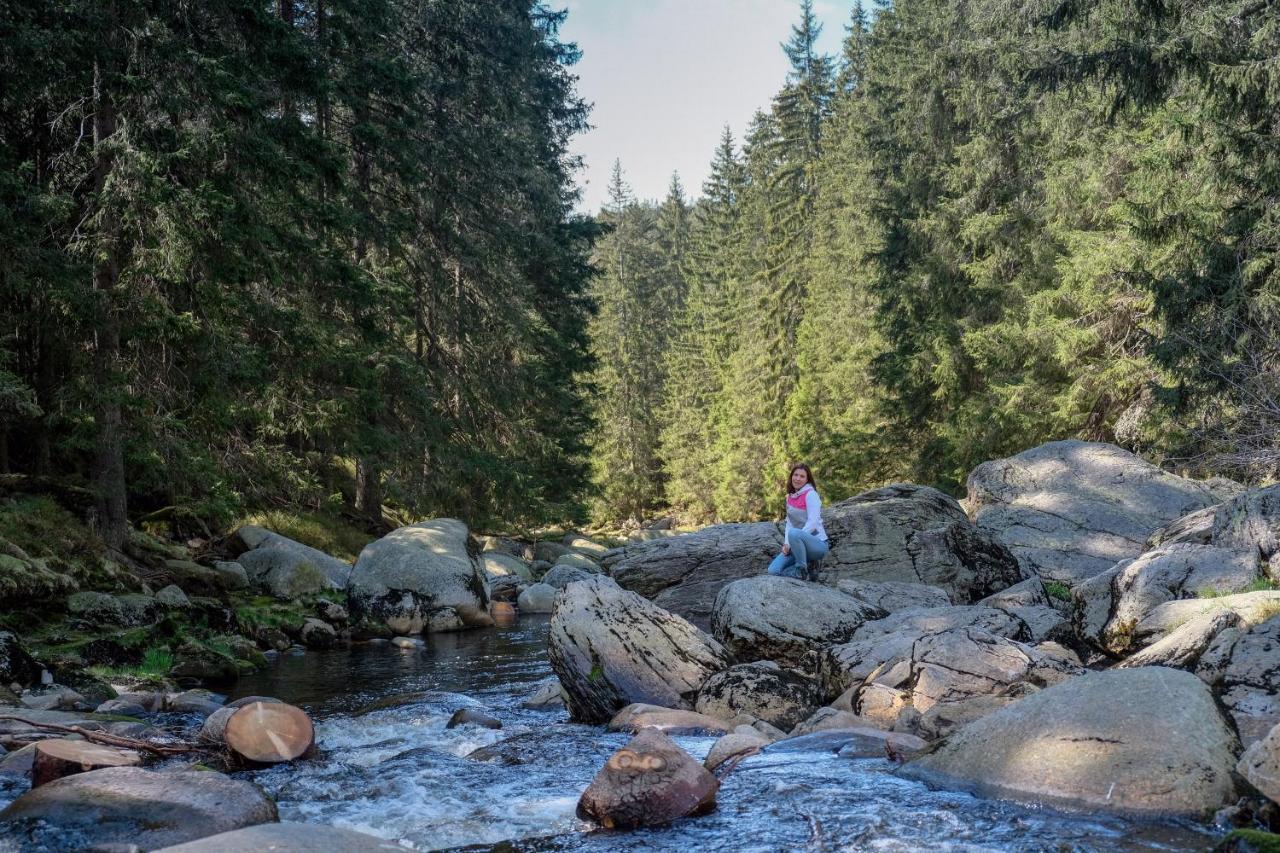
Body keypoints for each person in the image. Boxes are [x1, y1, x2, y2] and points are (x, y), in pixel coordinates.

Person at [766, 462, 828, 581]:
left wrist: (795, 538)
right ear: (791, 476)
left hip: (817, 545)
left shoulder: (811, 495)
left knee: (794, 533)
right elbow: (789, 523)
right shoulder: (790, 497)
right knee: (773, 571)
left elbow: (813, 522)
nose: (798, 478)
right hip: (797, 545)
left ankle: (801, 568)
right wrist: (787, 543)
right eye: (796, 475)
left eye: (802, 476)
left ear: (807, 479)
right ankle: (809, 567)